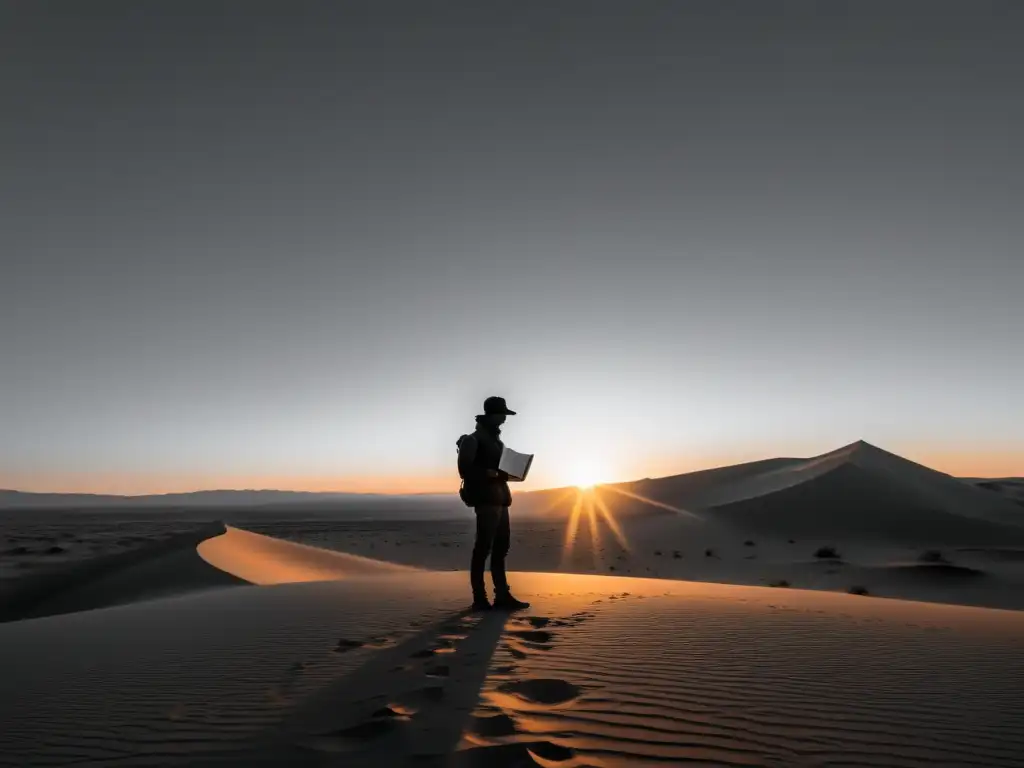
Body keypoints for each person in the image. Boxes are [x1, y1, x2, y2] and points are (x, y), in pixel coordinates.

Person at [457, 396, 531, 611]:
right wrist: (489, 473)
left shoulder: (497, 442)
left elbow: (499, 470)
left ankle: (502, 596)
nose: (505, 419)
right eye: (502, 414)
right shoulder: (472, 440)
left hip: (501, 498)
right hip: (486, 500)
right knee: (483, 548)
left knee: (501, 548)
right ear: (492, 415)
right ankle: (479, 598)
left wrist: (511, 473)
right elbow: (465, 470)